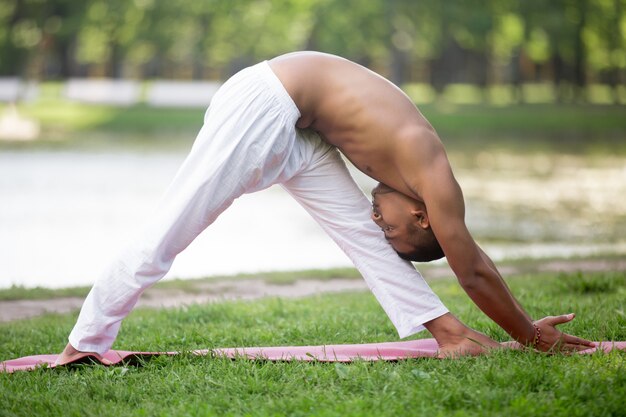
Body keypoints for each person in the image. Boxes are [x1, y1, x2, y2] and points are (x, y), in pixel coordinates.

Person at [57, 52, 593, 365]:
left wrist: (518, 329)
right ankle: (85, 344)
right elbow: (470, 267)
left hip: (298, 125)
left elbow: (464, 256)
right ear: (424, 217)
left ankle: (449, 334)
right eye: (396, 230)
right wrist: (530, 335)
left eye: (386, 227)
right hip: (267, 101)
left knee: (358, 241)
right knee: (169, 232)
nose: (381, 222)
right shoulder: (435, 176)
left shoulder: (419, 184)